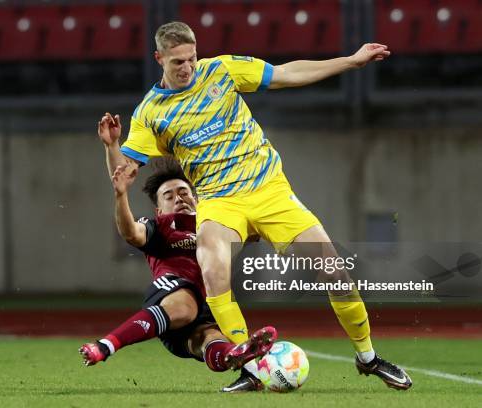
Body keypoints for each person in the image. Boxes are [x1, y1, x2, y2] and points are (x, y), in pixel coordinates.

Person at [98, 21, 412, 390]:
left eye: (192, 58)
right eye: (178, 62)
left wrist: (349, 61)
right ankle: (251, 368)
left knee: (333, 269)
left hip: (269, 192)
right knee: (213, 267)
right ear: (159, 59)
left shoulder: (222, 70)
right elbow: (125, 170)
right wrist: (110, 146)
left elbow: (285, 74)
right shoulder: (151, 112)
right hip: (218, 200)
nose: (187, 68)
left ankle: (368, 358)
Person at [79, 159, 276, 392]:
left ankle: (232, 357)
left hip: (206, 309)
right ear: (159, 209)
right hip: (171, 295)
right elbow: (131, 233)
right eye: (169, 196)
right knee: (185, 306)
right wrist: (121, 195)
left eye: (184, 192)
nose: (179, 198)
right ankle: (106, 345)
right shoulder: (160, 225)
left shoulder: (215, 225)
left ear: (197, 199)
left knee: (209, 340)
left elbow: (253, 232)